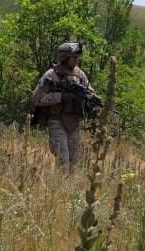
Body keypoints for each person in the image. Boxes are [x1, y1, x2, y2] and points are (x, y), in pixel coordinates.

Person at [31, 42, 99, 170]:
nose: (76, 60)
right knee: (63, 160)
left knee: (73, 162)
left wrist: (91, 102)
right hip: (56, 121)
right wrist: (60, 97)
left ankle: (69, 189)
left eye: (77, 57)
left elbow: (90, 93)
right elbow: (36, 98)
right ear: (65, 57)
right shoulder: (51, 75)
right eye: (74, 57)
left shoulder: (80, 75)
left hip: (74, 124)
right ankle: (61, 188)